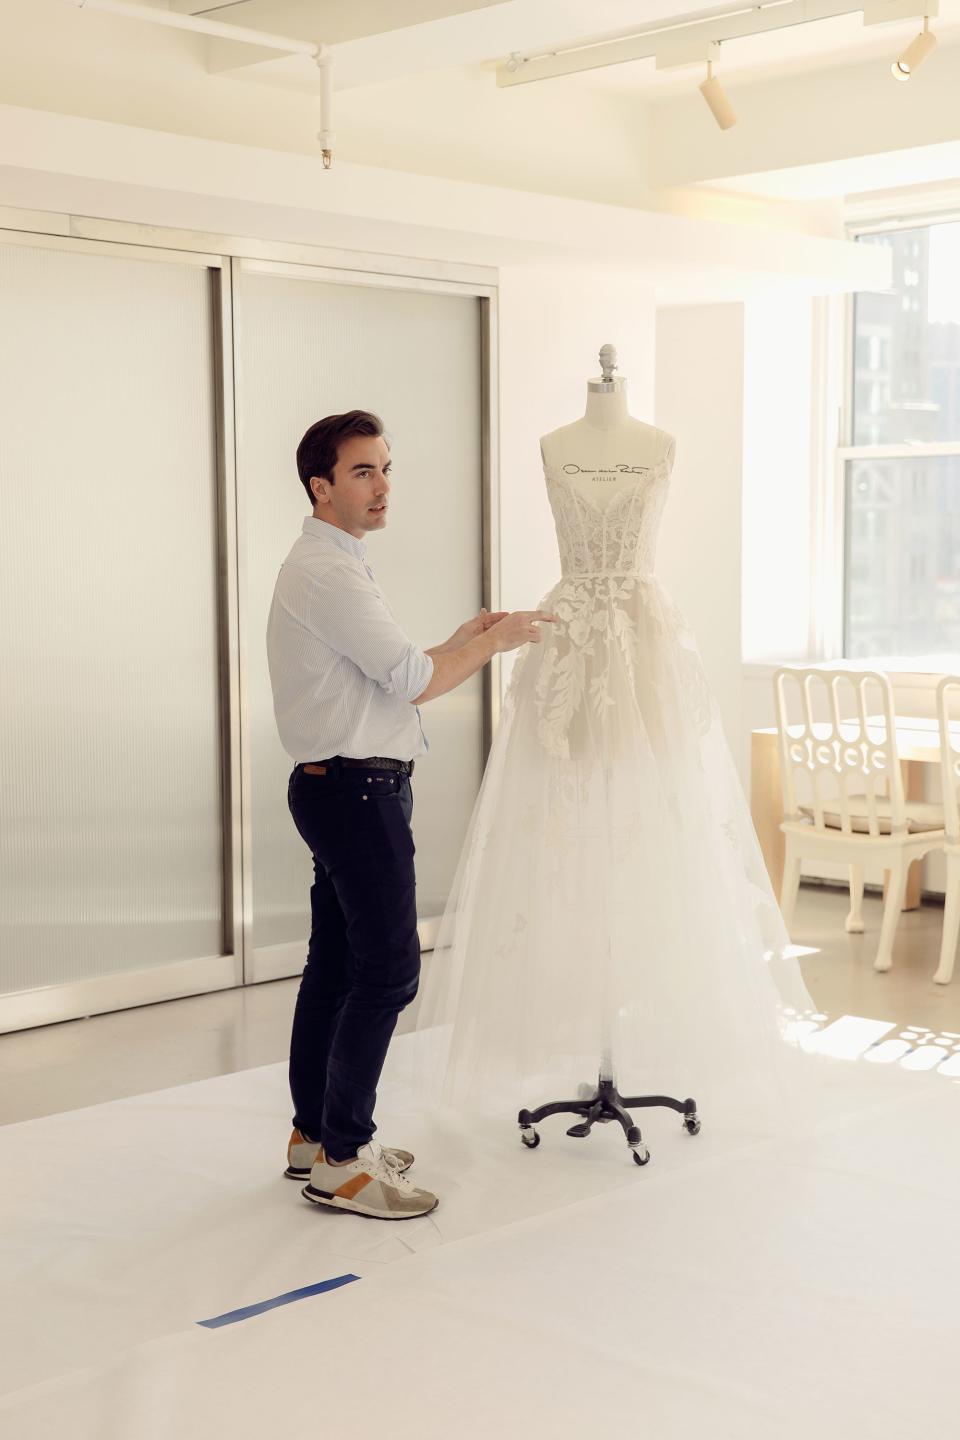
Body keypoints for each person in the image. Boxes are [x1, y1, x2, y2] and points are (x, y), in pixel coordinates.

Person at [266, 409, 555, 1220]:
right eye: (363, 472)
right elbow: (410, 681)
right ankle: (346, 1162)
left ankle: (313, 1138)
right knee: (388, 971)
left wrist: (459, 640)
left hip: (340, 786)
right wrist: (495, 645)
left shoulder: (333, 563)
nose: (383, 485)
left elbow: (383, 673)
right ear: (320, 486)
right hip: (355, 795)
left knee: (336, 964)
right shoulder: (328, 572)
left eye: (386, 467)